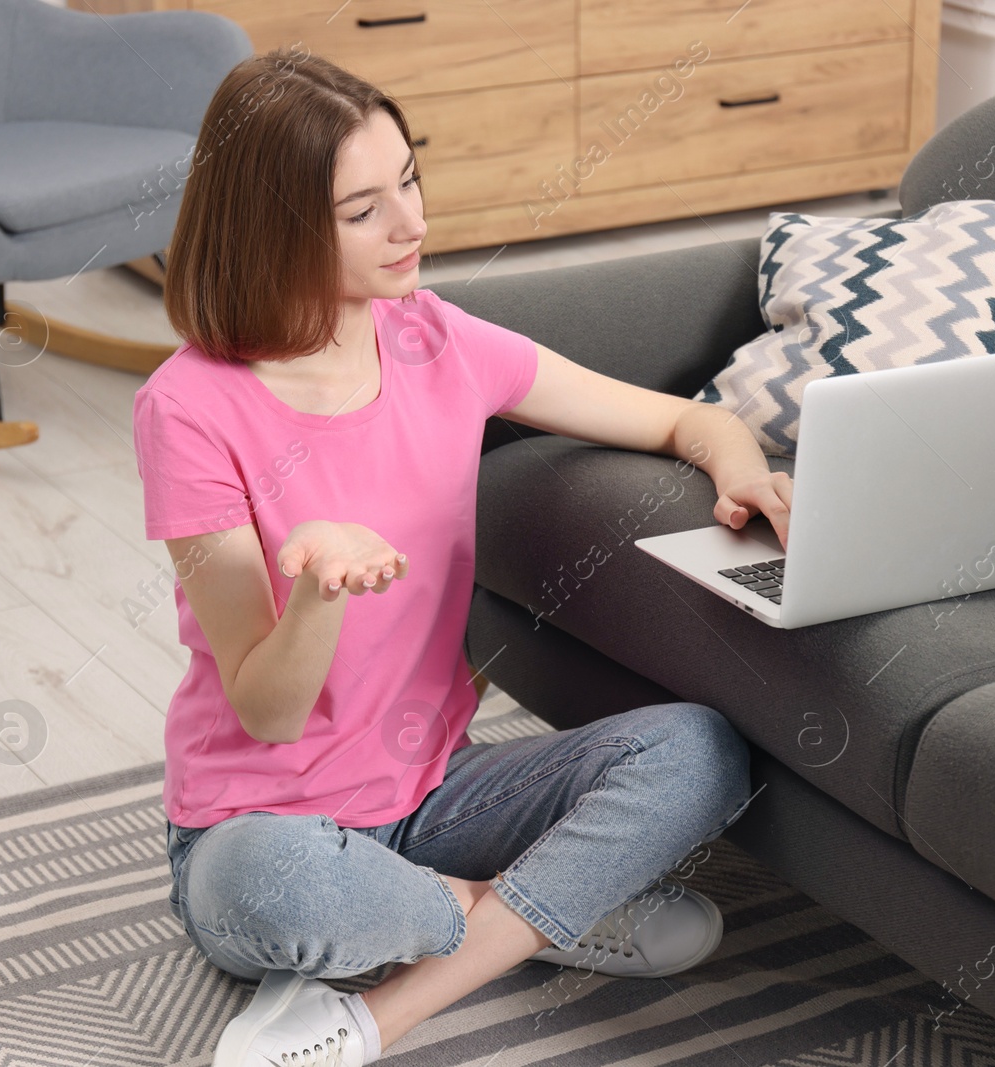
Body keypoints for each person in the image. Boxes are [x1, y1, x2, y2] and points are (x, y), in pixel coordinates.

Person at [133, 45, 795, 1067]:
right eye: (364, 209)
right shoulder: (187, 409)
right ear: (275, 227)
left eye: (409, 179)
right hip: (260, 826)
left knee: (699, 748)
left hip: (439, 796)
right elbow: (266, 709)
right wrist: (317, 587)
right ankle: (543, 914)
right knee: (271, 885)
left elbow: (674, 421)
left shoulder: (434, 339)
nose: (413, 223)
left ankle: (378, 1009)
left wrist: (739, 465)